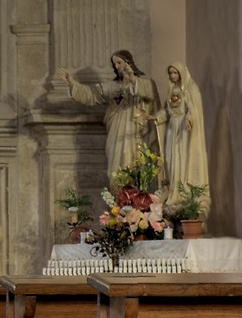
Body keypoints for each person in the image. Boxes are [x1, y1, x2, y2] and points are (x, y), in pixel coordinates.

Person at [65, 50, 160, 180]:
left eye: (119, 62)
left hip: (134, 131)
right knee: (114, 168)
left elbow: (149, 93)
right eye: (114, 64)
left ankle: (136, 197)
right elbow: (92, 94)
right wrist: (72, 84)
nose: (117, 66)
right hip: (116, 130)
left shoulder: (145, 83)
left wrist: (132, 79)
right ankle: (117, 198)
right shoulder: (112, 86)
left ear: (128, 62)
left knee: (135, 164)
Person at [161, 64, 209, 211]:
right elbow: (166, 112)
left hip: (184, 130)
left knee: (183, 159)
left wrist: (189, 117)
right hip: (172, 129)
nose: (172, 76)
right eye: (170, 73)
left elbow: (194, 109)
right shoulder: (171, 90)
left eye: (175, 73)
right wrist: (154, 117)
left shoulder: (190, 89)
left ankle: (183, 194)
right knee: (171, 160)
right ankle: (173, 192)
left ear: (181, 73)